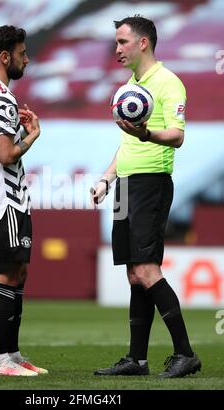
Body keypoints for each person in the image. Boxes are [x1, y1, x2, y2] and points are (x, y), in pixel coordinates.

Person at [92, 15, 201, 378]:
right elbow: (125, 143)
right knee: (133, 275)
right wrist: (107, 179)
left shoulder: (169, 83)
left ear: (143, 43)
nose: (117, 48)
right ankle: (136, 360)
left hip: (151, 184)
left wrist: (146, 134)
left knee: (147, 268)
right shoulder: (129, 86)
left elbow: (176, 134)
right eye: (116, 42)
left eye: (123, 42)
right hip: (125, 184)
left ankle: (185, 353)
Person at [0, 25, 48, 376]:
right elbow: (6, 155)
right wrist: (32, 136)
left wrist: (19, 131)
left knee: (19, 272)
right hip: (4, 199)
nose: (26, 59)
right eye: (22, 53)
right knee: (6, 275)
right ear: (6, 57)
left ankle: (12, 356)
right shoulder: (1, 96)